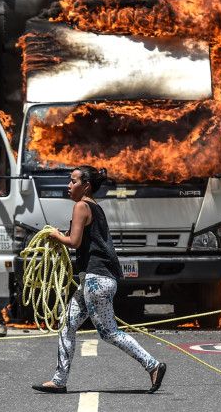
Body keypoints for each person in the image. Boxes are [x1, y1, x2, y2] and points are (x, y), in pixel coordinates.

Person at [32, 165, 166, 394]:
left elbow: (74, 242)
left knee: (109, 333)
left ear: (86, 186)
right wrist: (61, 237)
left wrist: (56, 236)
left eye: (73, 181)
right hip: (92, 280)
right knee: (66, 324)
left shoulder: (81, 206)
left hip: (96, 280)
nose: (68, 185)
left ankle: (153, 365)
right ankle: (59, 380)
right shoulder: (95, 207)